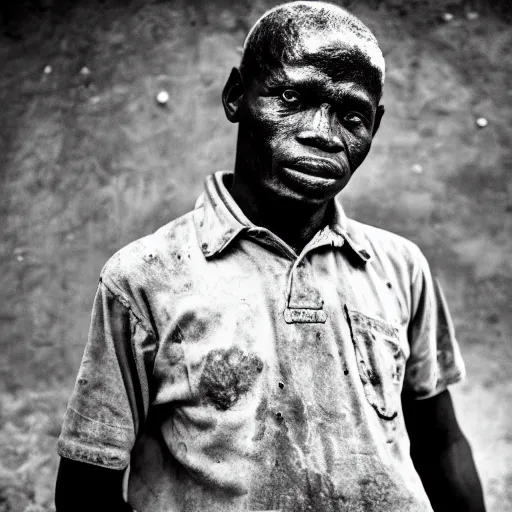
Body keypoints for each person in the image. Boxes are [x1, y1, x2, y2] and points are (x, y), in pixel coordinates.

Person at [55, 2, 486, 511]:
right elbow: (89, 481)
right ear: (237, 95)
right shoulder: (144, 278)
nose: (322, 134)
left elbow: (441, 442)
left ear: (376, 124)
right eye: (292, 97)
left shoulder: (398, 266)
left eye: (352, 115)